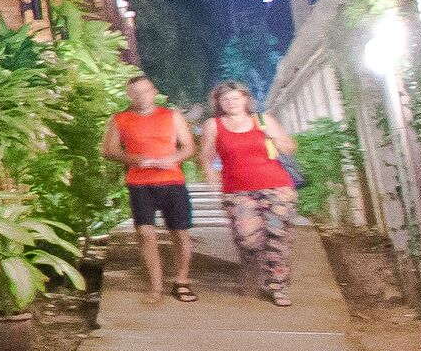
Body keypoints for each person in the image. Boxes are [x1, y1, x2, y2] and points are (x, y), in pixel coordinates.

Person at [201, 79, 303, 308]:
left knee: (278, 237)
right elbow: (207, 157)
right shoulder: (213, 125)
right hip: (238, 191)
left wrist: (275, 138)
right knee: (247, 238)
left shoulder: (263, 120)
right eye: (225, 99)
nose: (231, 102)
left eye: (235, 98)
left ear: (245, 99)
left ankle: (277, 286)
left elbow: (289, 147)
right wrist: (213, 181)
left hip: (277, 187)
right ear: (219, 103)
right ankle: (253, 266)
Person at [103, 74, 198, 301]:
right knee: (145, 234)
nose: (141, 96)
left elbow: (189, 147)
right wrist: (133, 159)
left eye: (145, 91)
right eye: (135, 93)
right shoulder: (120, 119)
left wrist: (172, 159)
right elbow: (108, 150)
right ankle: (155, 286)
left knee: (180, 233)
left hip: (172, 181)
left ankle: (182, 281)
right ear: (129, 95)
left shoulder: (172, 116)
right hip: (140, 183)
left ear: (154, 92)